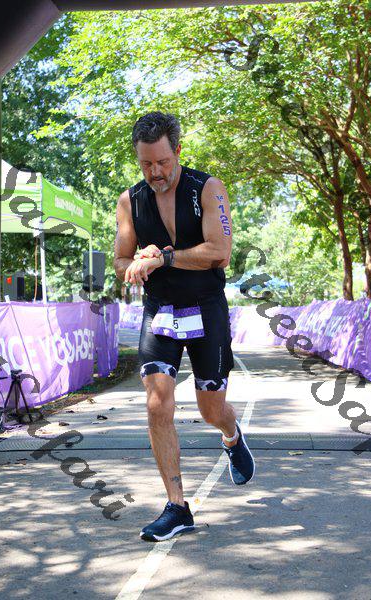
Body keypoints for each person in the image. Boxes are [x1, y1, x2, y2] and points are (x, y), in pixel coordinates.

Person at [114, 111, 255, 542]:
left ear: (177, 150)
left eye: (162, 161)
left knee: (211, 409)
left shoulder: (207, 188)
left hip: (205, 306)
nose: (155, 172)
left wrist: (165, 257)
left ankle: (231, 435)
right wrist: (136, 264)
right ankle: (177, 507)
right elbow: (120, 261)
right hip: (161, 309)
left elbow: (220, 251)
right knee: (157, 403)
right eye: (146, 164)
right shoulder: (130, 201)